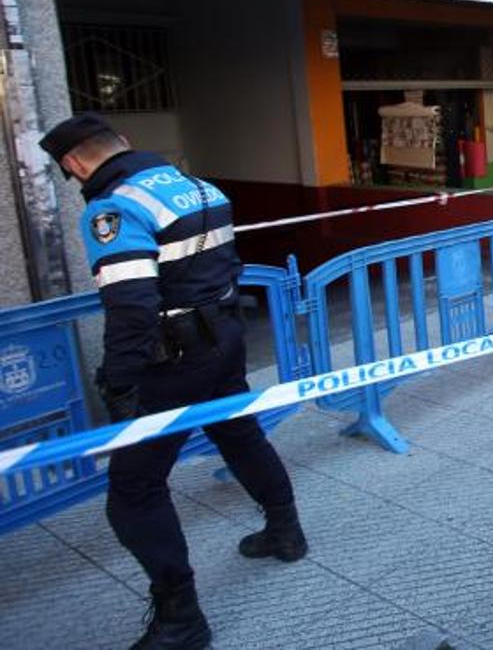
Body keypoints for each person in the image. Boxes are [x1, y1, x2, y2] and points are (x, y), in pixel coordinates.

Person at [39, 113, 307, 650]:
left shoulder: (113, 208)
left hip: (173, 360)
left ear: (73, 164)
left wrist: (118, 380)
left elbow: (132, 306)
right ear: (125, 143)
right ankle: (285, 531)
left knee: (134, 490)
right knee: (239, 433)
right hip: (224, 337)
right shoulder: (196, 185)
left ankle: (181, 618)